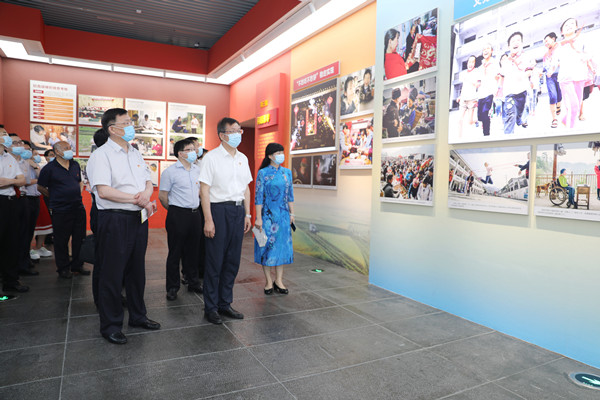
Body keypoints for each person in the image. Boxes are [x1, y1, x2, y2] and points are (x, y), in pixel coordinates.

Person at [87, 108, 161, 344]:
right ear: (112, 129)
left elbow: (147, 181)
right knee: (112, 272)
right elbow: (104, 191)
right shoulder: (101, 155)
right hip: (115, 218)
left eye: (131, 122)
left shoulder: (135, 153)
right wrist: (136, 199)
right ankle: (110, 325)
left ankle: (138, 316)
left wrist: (146, 197)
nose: (131, 126)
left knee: (136, 270)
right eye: (126, 123)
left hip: (138, 217)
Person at [199, 117, 252, 325]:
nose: (238, 134)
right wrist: (208, 220)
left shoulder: (243, 158)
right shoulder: (211, 158)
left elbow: (246, 188)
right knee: (215, 261)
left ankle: (225, 303)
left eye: (240, 130)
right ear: (222, 135)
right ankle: (211, 307)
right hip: (218, 210)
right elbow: (204, 190)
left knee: (232, 261)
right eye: (233, 131)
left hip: (238, 211)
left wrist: (247, 214)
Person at [158, 139, 203, 301]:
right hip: (177, 214)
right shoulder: (170, 172)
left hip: (195, 214)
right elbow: (162, 196)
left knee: (193, 251)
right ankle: (172, 287)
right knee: (175, 252)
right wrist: (174, 211)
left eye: (194, 149)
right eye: (189, 149)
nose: (194, 152)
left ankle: (193, 282)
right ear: (180, 153)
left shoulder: (198, 170)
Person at [37, 141, 89, 279]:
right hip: (60, 209)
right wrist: (54, 196)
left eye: (70, 147)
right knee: (61, 240)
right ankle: (63, 268)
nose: (69, 150)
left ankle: (77, 265)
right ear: (58, 152)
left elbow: (79, 182)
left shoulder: (75, 165)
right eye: (66, 148)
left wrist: (78, 193)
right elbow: (40, 187)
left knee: (79, 238)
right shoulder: (49, 168)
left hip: (78, 207)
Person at [254, 143, 295, 295]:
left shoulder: (287, 173)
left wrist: (292, 214)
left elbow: (290, 195)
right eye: (278, 153)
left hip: (283, 216)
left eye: (281, 152)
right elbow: (258, 197)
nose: (281, 155)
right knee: (266, 248)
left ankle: (279, 280)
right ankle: (268, 281)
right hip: (267, 217)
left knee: (281, 248)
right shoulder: (263, 173)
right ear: (270, 156)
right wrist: (258, 218)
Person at [0, 132, 28, 293]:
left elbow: (22, 180)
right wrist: (13, 181)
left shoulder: (9, 157)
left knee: (11, 242)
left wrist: (8, 181)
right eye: (2, 134)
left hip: (11, 202)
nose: (5, 136)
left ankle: (11, 281)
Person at [555, 17, 593, 129]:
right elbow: (554, 61)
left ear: (576, 27)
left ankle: (566, 122)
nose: (569, 26)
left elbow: (589, 54)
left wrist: (586, 57)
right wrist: (551, 68)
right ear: (562, 31)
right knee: (573, 106)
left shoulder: (582, 40)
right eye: (566, 25)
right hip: (566, 79)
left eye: (572, 24)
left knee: (577, 105)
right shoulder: (559, 45)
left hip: (580, 77)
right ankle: (569, 131)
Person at [500, 32, 533, 134]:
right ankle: (508, 138)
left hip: (522, 91)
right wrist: (500, 90)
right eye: (513, 41)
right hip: (509, 94)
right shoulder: (505, 61)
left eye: (518, 40)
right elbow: (502, 75)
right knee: (511, 115)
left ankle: (519, 118)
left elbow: (529, 71)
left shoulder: (526, 57)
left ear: (522, 44)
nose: (516, 42)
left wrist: (522, 76)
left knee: (519, 112)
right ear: (509, 46)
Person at [19, 141, 43, 275]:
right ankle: (21, 262)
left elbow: (42, 177)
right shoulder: (19, 163)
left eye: (29, 149)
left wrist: (34, 166)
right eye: (25, 149)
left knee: (29, 232)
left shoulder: (32, 164)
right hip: (25, 198)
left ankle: (26, 259)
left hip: (35, 198)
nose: (27, 152)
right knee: (23, 232)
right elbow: (24, 181)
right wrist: (36, 180)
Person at [477, 44, 499, 136]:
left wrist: (497, 90)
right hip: (481, 93)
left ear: (491, 51)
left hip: (490, 92)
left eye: (488, 49)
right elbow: (478, 79)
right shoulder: (481, 65)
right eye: (484, 49)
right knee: (480, 116)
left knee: (485, 112)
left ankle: (486, 135)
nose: (485, 50)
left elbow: (498, 76)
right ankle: (485, 121)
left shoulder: (495, 63)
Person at [543, 32, 562, 129]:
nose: (545, 43)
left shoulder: (560, 48)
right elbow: (544, 66)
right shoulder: (545, 54)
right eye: (544, 42)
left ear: (553, 39)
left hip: (560, 74)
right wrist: (543, 71)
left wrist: (555, 67)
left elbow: (562, 62)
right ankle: (554, 119)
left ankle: (558, 106)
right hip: (549, 76)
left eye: (547, 41)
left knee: (559, 96)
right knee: (553, 96)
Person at [458, 55, 480, 138]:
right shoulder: (463, 73)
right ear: (467, 63)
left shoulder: (477, 72)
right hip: (463, 99)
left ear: (475, 63)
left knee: (470, 122)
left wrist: (470, 80)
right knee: (459, 120)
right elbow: (463, 86)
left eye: (473, 62)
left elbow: (477, 85)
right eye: (469, 62)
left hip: (472, 99)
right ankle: (459, 139)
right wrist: (460, 96)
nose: (470, 64)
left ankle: (476, 121)